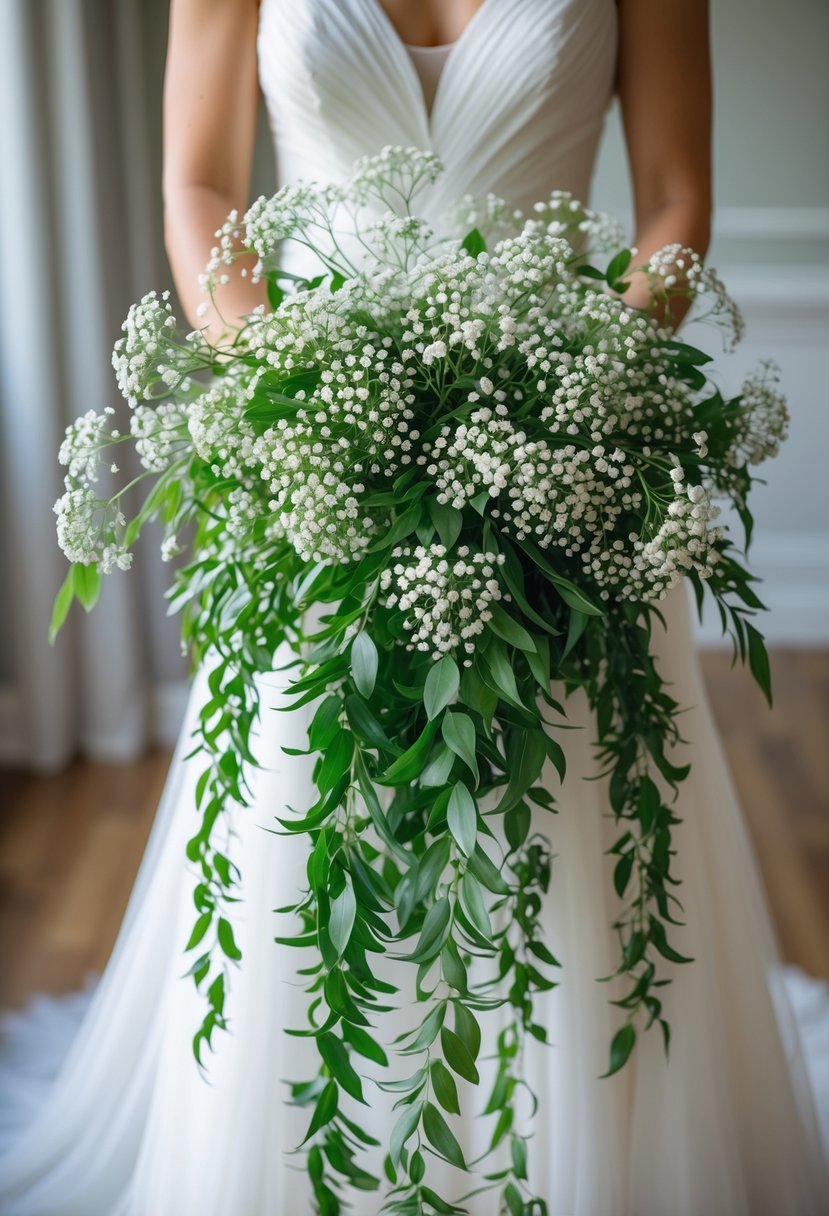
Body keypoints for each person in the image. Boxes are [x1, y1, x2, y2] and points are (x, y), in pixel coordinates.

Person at [1, 0, 828, 1212]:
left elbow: (672, 200)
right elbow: (197, 185)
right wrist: (297, 394)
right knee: (315, 819)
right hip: (316, 464)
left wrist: (569, 397)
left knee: (570, 833)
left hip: (563, 464)